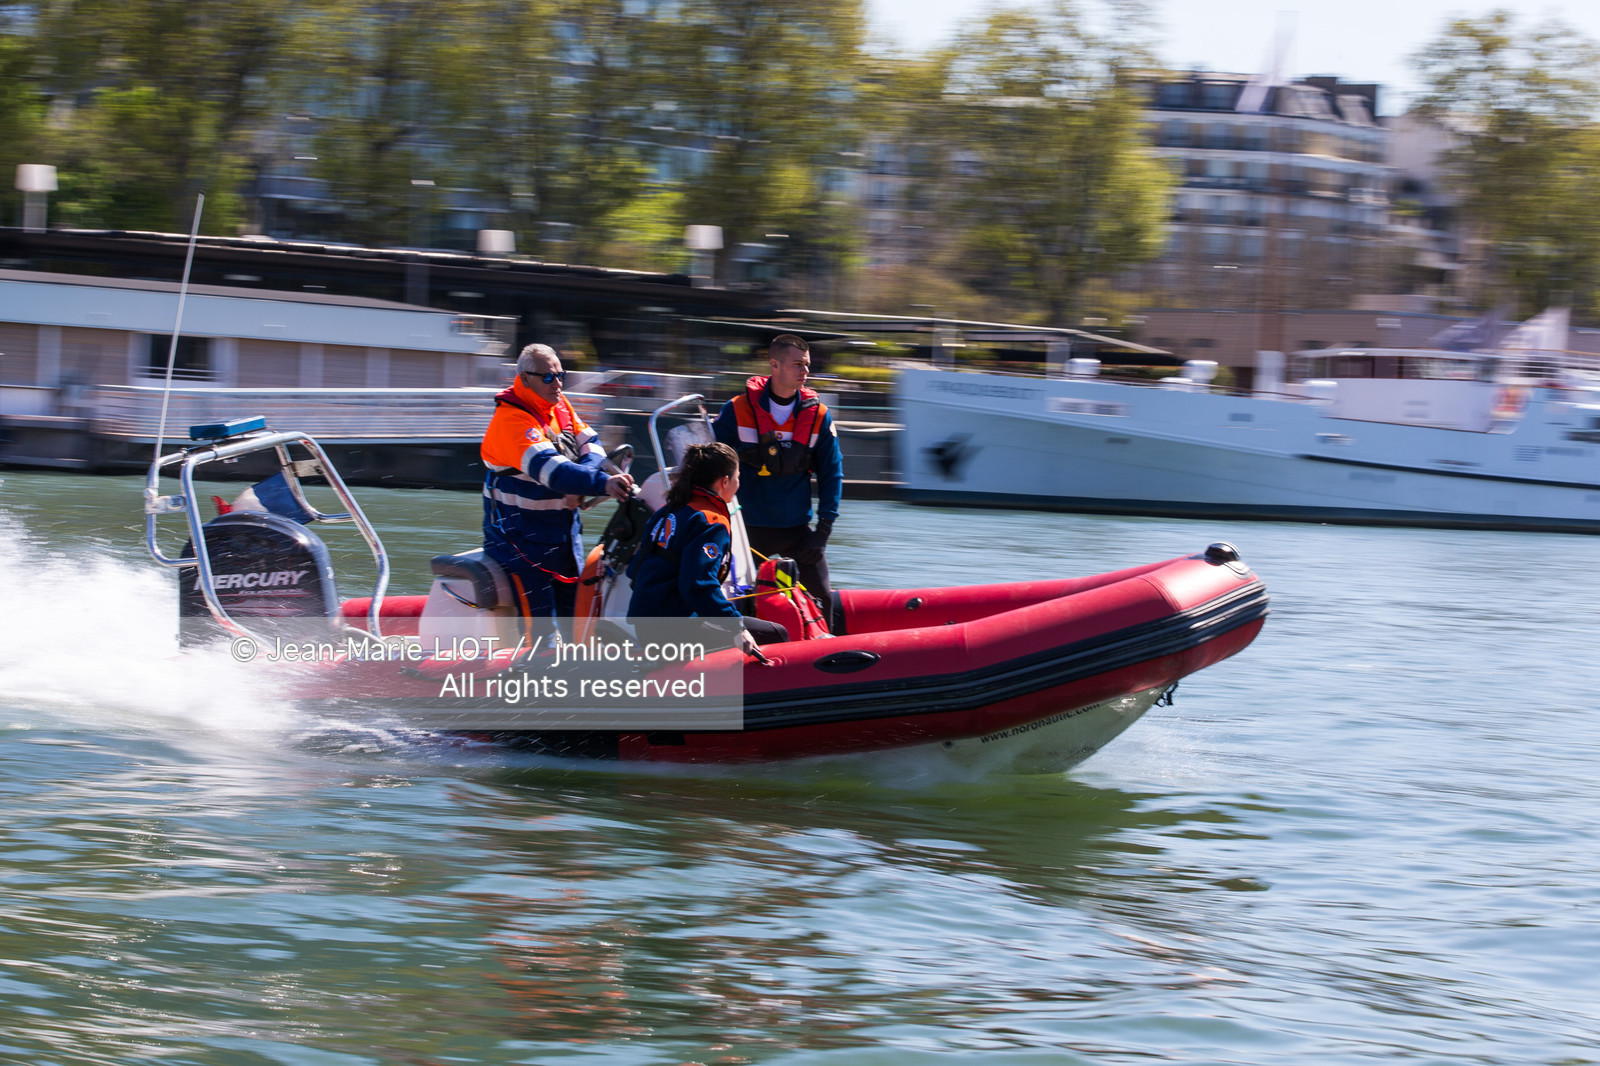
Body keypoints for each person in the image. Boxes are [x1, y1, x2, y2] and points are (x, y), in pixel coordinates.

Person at [480, 343, 632, 625]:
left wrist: (583, 481)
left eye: (561, 375)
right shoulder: (511, 421)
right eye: (548, 377)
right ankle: (537, 663)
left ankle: (572, 664)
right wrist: (602, 483)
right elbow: (554, 473)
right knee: (541, 630)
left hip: (561, 535)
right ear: (525, 378)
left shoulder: (558, 404)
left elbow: (592, 444)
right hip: (520, 543)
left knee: (571, 619)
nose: (558, 383)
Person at [712, 333, 843, 624]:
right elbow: (711, 467)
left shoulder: (819, 416)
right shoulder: (736, 410)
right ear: (774, 365)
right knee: (736, 602)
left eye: (807, 365)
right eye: (797, 364)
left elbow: (832, 473)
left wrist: (823, 530)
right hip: (745, 529)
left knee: (822, 598)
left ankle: (823, 652)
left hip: (797, 530)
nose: (805, 372)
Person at [626, 442, 788, 655]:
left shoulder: (667, 510)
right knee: (775, 633)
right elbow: (698, 585)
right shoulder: (710, 520)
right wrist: (735, 627)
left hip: (645, 625)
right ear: (725, 481)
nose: (739, 483)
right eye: (738, 477)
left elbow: (634, 572)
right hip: (674, 629)